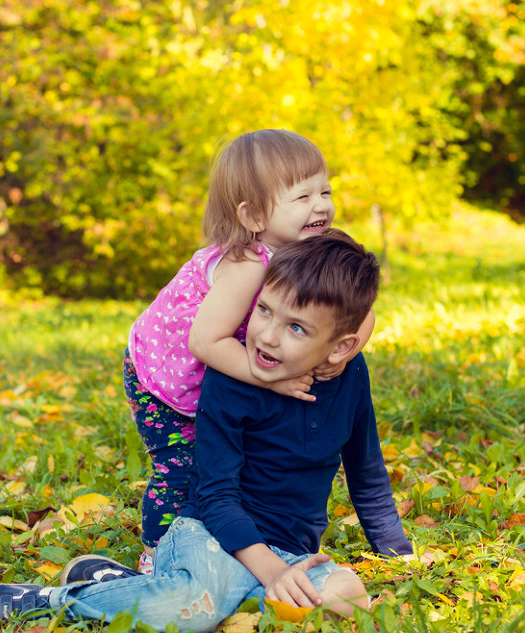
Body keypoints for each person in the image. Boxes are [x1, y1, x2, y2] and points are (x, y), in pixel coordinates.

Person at [0, 230, 413, 633]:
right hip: (211, 534)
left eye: (295, 327)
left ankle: (133, 588)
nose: (267, 335)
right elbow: (216, 495)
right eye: (264, 311)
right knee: (191, 613)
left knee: (347, 596)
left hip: (289, 550)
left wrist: (397, 554)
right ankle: (42, 601)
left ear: (341, 348)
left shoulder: (351, 377)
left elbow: (365, 470)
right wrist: (270, 571)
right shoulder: (232, 376)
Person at [122, 129, 374, 573]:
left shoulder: (311, 247)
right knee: (182, 464)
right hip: (165, 379)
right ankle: (157, 551)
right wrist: (271, 376)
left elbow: (359, 306)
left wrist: (343, 354)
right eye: (302, 197)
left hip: (219, 361)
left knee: (226, 455)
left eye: (325, 190)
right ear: (254, 215)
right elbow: (204, 343)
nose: (321, 205)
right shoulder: (245, 266)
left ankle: (231, 530)